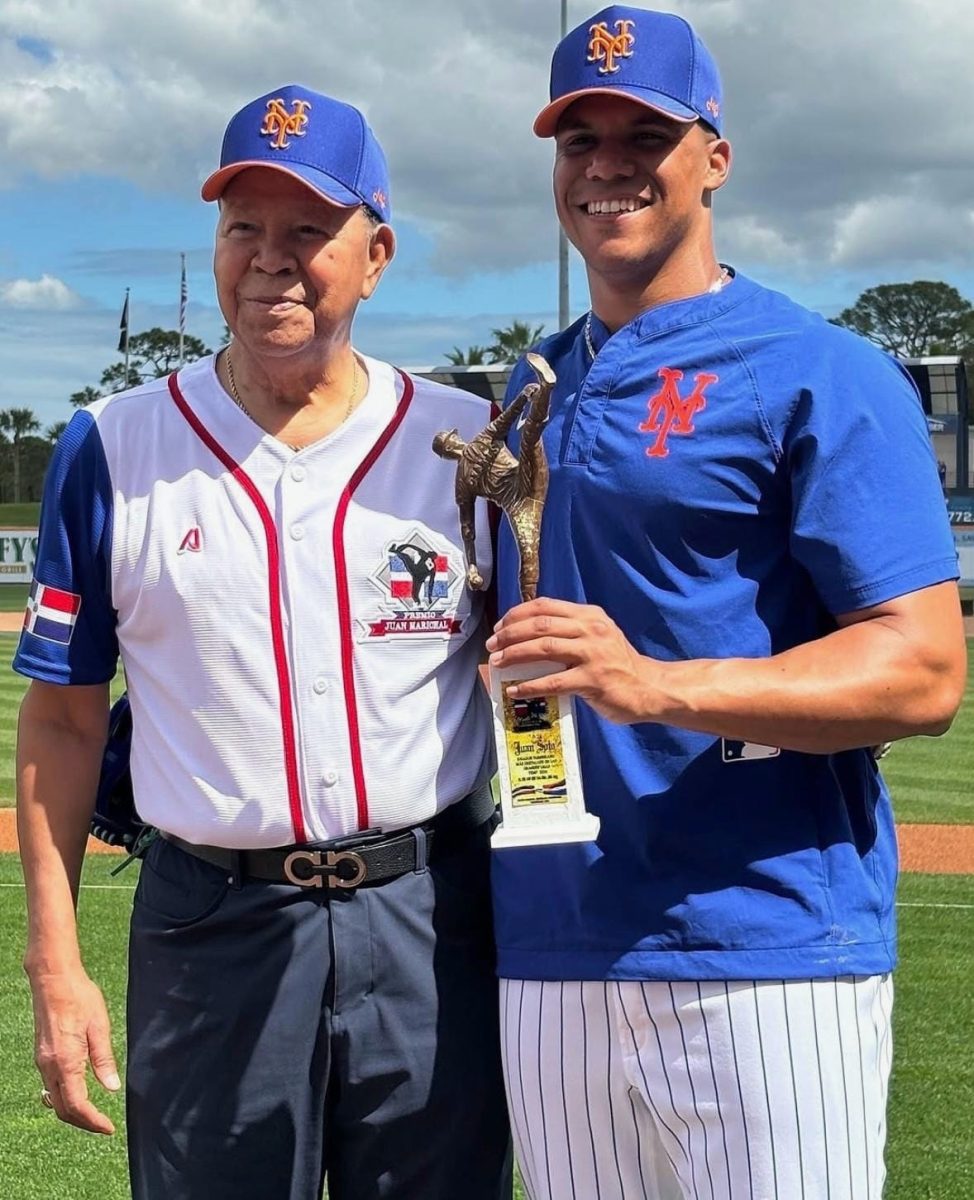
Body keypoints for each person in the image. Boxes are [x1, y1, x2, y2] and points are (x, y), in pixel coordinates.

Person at [484, 9, 968, 1200]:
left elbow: (921, 671)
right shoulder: (529, 384)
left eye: (643, 132)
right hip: (552, 942)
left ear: (713, 155)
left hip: (761, 944)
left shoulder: (820, 370)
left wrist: (655, 687)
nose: (606, 163)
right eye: (577, 136)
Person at [15, 84, 511, 1200]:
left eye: (308, 231)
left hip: (429, 910)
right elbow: (60, 713)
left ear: (374, 254)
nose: (269, 260)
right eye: (244, 227)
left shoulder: (465, 443)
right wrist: (55, 960)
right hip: (210, 921)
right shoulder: (112, 443)